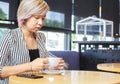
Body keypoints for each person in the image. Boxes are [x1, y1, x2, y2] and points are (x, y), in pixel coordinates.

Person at [0, 0, 66, 84]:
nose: (40, 22)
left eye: (43, 18)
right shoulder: (10, 36)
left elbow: (44, 59)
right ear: (25, 16)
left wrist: (55, 64)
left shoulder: (41, 37)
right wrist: (30, 66)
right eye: (36, 17)